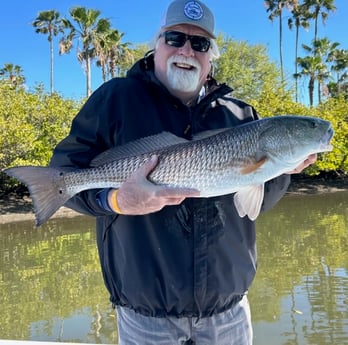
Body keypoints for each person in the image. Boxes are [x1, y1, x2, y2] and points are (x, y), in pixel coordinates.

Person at [50, 0, 317, 344]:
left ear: (210, 58)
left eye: (200, 43)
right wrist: (115, 200)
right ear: (157, 45)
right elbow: (62, 176)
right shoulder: (116, 99)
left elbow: (252, 205)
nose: (187, 50)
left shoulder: (240, 114)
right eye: (175, 38)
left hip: (229, 312)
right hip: (146, 315)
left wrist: (283, 169)